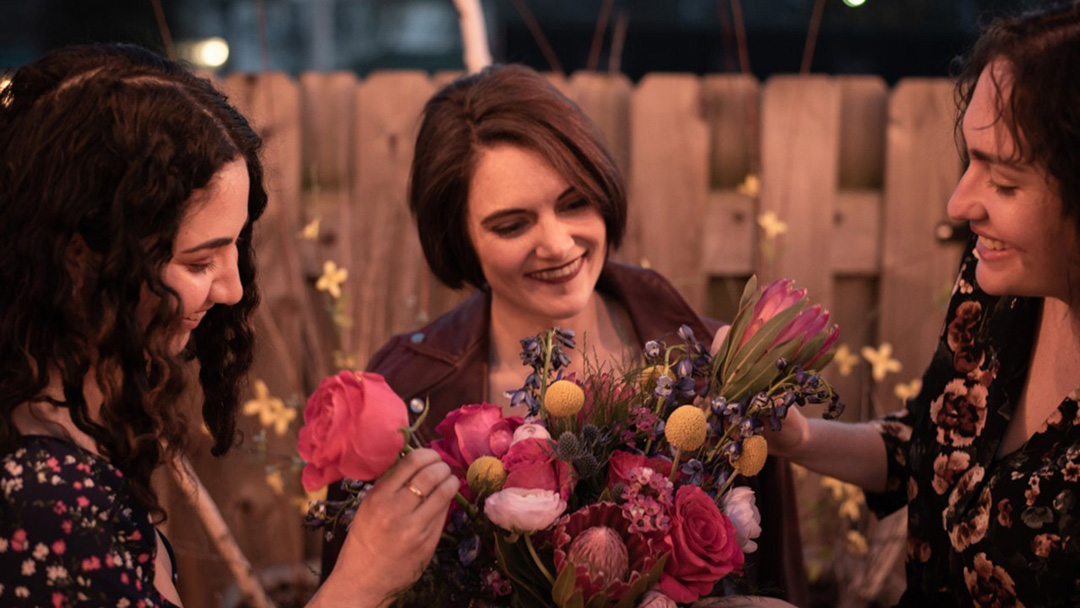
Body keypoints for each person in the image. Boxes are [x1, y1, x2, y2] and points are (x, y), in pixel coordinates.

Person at [321, 64, 809, 605]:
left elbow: (773, 578)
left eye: (574, 202)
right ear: (458, 238)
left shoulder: (719, 369)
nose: (556, 244)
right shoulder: (410, 392)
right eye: (512, 225)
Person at [0, 44, 457, 607]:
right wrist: (360, 581)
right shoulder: (40, 497)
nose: (233, 290)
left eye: (235, 248)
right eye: (198, 261)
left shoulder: (70, 428)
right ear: (79, 257)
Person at [763, 4, 1080, 607]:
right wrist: (800, 439)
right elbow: (931, 449)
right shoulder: (998, 290)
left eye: (1005, 181)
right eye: (971, 161)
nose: (960, 204)